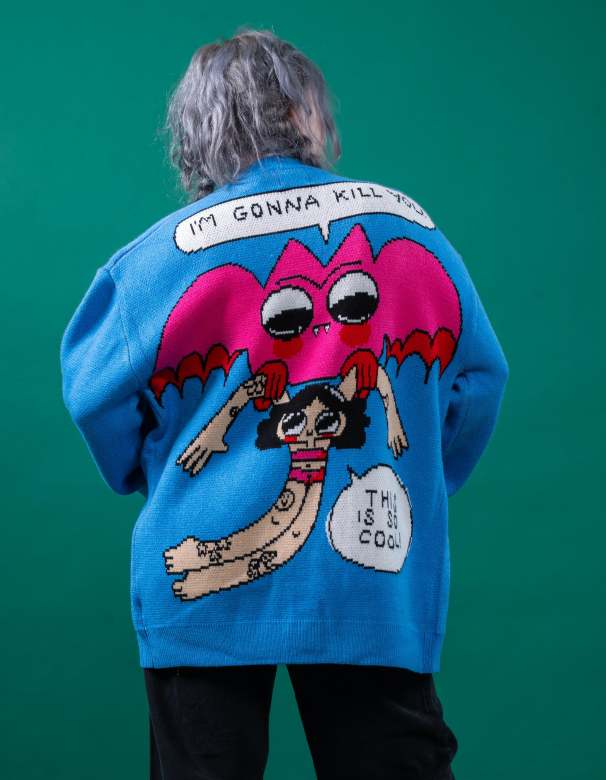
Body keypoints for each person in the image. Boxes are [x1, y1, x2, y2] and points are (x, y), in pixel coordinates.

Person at [60, 26, 509, 780]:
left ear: (196, 132)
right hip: (369, 566)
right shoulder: (409, 226)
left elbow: (94, 396)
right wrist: (421, 473)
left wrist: (156, 472)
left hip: (200, 571)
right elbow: (478, 382)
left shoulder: (158, 256)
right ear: (308, 113)